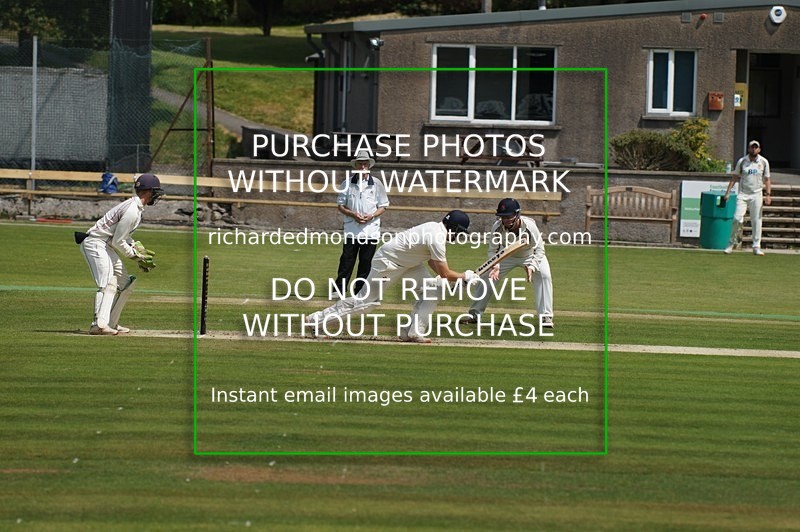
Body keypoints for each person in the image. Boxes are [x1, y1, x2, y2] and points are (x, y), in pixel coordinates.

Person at [306, 210, 479, 343]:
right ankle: (316, 320)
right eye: (460, 232)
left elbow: (433, 264)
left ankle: (412, 331)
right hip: (388, 263)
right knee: (365, 302)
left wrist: (456, 279)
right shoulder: (436, 237)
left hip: (409, 264)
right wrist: (464, 276)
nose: (458, 236)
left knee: (433, 290)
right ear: (454, 228)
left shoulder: (435, 229)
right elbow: (444, 272)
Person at [78, 173, 164, 335]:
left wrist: (137, 247)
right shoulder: (132, 210)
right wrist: (135, 256)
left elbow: (122, 236)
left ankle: (111, 322)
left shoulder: (136, 208)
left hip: (105, 244)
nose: (156, 196)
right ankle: (99, 325)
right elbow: (118, 241)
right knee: (108, 282)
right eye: (155, 192)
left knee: (125, 283)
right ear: (148, 192)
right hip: (95, 243)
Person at [462, 198, 554, 327]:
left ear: (517, 214)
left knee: (544, 276)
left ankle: (546, 317)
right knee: (486, 278)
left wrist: (532, 266)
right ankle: (474, 315)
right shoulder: (497, 227)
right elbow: (493, 250)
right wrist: (496, 265)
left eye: (509, 216)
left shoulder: (530, 226)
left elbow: (540, 250)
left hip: (530, 255)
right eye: (503, 216)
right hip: (506, 255)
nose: (505, 220)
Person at [332, 149, 389, 296]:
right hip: (352, 229)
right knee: (346, 261)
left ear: (369, 166)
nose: (362, 167)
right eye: (360, 164)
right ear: (355, 166)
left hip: (370, 231)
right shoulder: (347, 183)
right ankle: (339, 290)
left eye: (365, 164)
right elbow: (341, 205)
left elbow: (383, 206)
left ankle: (360, 291)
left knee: (366, 262)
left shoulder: (377, 184)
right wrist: (353, 214)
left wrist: (371, 216)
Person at [723, 140, 771, 255]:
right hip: (743, 194)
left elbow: (767, 179)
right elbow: (735, 177)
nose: (753, 149)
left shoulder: (764, 162)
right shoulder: (742, 161)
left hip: (757, 194)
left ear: (759, 149)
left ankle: (756, 247)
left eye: (756, 147)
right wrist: (728, 192)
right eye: (752, 147)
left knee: (756, 221)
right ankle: (731, 244)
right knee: (736, 218)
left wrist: (768, 195)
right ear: (748, 149)